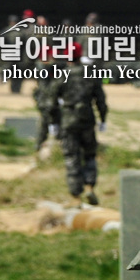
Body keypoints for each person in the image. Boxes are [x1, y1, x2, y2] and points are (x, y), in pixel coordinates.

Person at [48, 45, 107, 205]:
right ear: (81, 56)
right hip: (87, 119)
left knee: (71, 157)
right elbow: (100, 99)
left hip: (68, 121)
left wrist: (53, 123)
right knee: (89, 154)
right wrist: (103, 119)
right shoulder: (91, 74)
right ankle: (90, 187)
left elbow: (51, 102)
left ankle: (76, 196)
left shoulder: (62, 75)